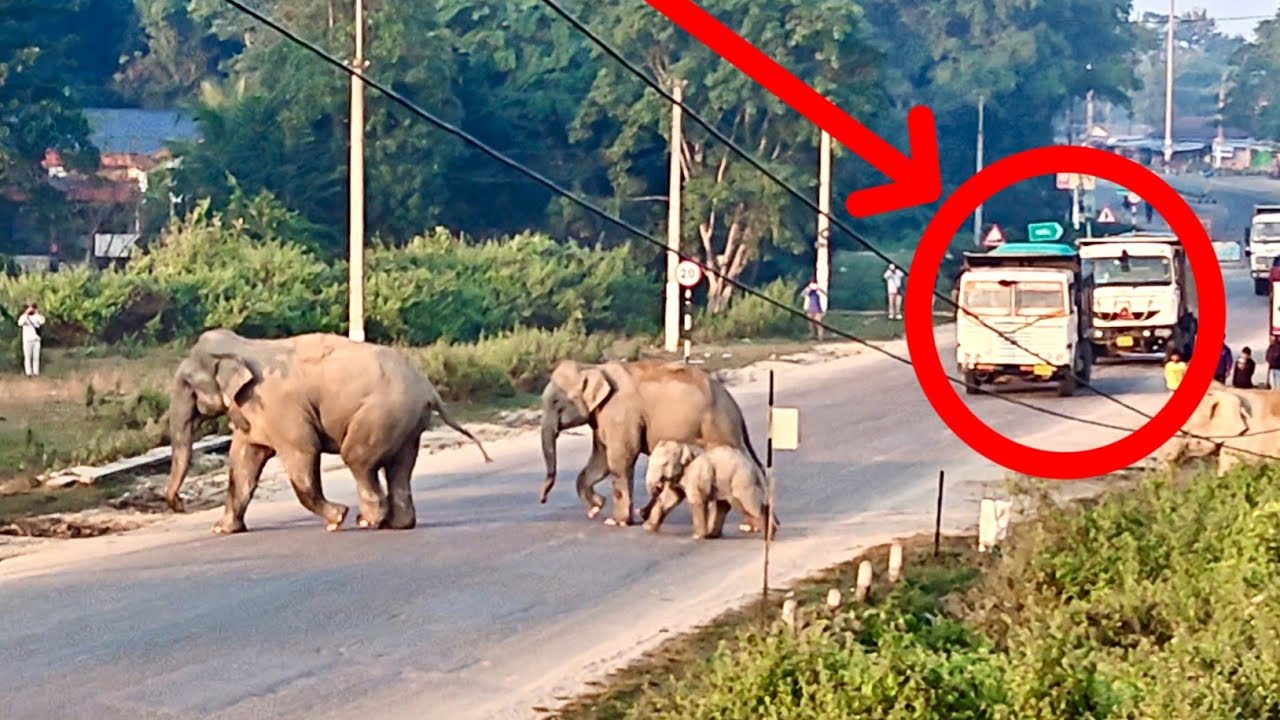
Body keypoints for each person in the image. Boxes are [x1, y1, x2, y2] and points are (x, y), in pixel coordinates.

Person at [17, 302, 45, 377]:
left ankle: (36, 372)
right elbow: (20, 323)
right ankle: (28, 373)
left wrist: (36, 312)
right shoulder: (24, 317)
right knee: (27, 357)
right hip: (27, 340)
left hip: (36, 340)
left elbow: (42, 321)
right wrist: (26, 313)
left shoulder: (37, 316)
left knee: (36, 357)